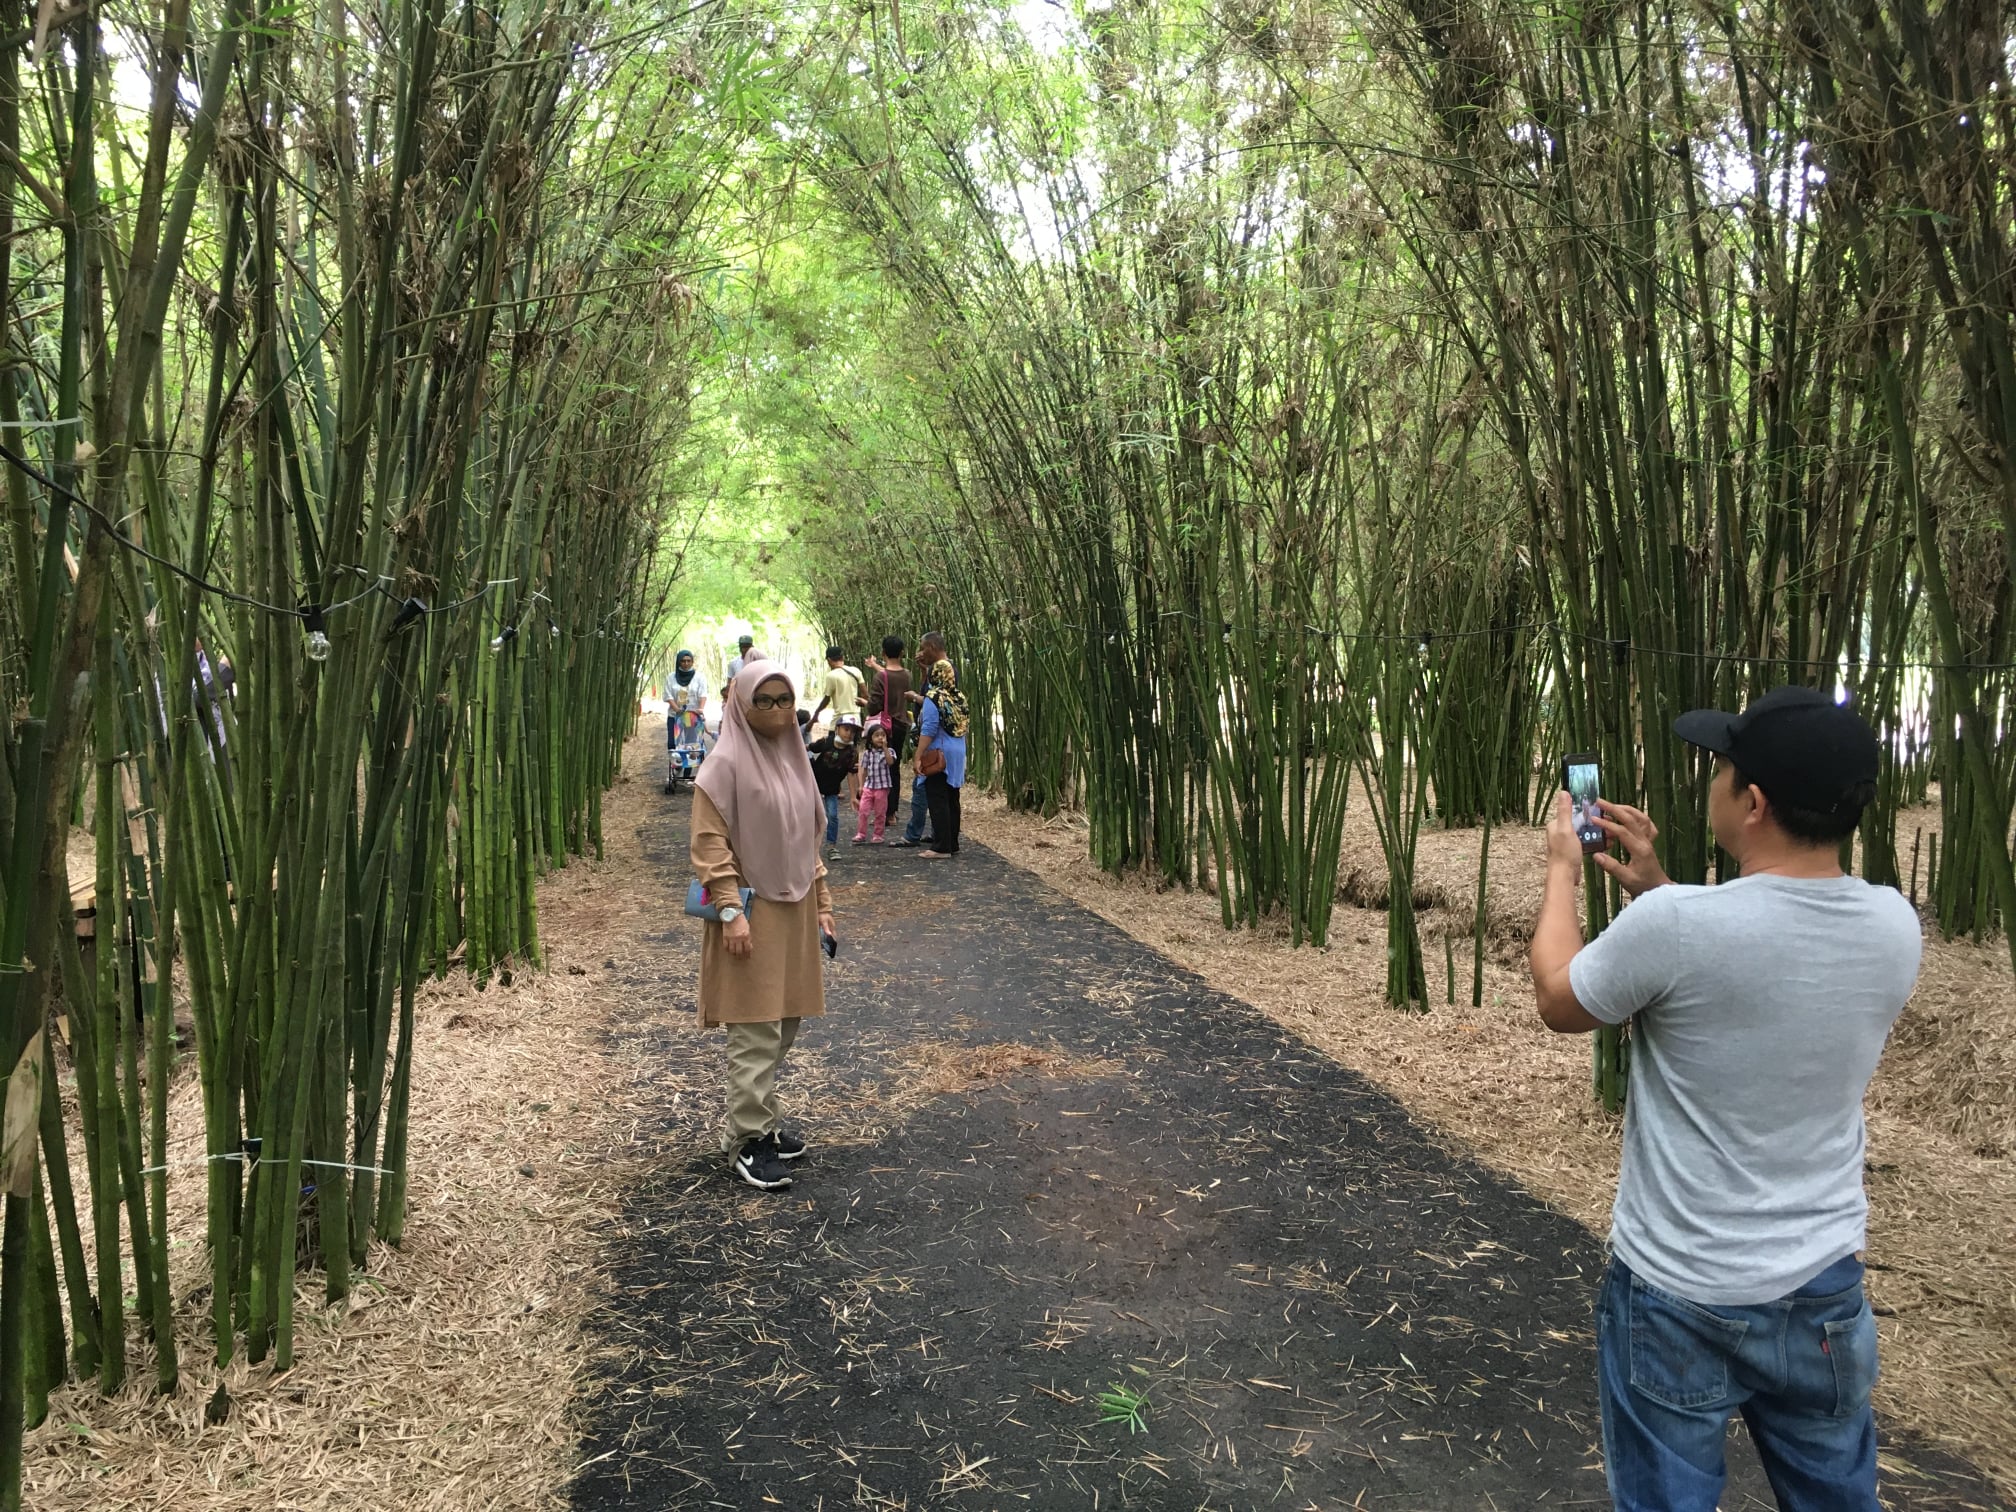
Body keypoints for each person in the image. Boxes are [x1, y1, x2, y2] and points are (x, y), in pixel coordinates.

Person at [1526, 686, 1920, 1512]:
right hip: (1822, 1294)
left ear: (1753, 802)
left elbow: (1561, 1001)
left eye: (1722, 768)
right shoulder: (1895, 925)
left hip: (1679, 1294)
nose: (1713, 783)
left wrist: (1565, 868)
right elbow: (1754, 960)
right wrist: (1660, 889)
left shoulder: (1677, 926)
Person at [691, 661, 836, 1193]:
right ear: (740, 704)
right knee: (755, 1026)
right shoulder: (725, 764)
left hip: (795, 905)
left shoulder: (794, 758)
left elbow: (807, 839)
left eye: (784, 701)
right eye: (764, 702)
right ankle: (747, 1139)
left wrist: (822, 901)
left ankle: (765, 1122)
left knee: (786, 1019)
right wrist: (729, 910)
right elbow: (709, 844)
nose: (776, 712)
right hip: (751, 909)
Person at [915, 658, 968, 860]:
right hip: (957, 751)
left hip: (939, 752)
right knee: (952, 798)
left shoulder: (933, 697)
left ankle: (941, 847)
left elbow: (928, 728)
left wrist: (918, 755)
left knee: (938, 798)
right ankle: (952, 843)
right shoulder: (959, 697)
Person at [863, 636, 914, 835]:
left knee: (879, 768)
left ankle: (882, 813)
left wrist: (865, 704)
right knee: (894, 767)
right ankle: (891, 813)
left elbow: (874, 704)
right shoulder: (908, 675)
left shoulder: (880, 677)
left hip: (884, 728)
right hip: (901, 725)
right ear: (902, 653)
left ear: (883, 652)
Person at [806, 715, 860, 856]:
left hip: (832, 788)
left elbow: (851, 774)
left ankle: (831, 845)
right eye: (846, 729)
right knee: (809, 814)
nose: (849, 734)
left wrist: (853, 796)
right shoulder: (826, 742)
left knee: (832, 815)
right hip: (814, 784)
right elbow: (808, 748)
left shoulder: (852, 753)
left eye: (852, 731)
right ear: (837, 729)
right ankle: (805, 843)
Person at [664, 649, 708, 791]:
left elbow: (703, 694)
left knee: (691, 743)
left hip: (693, 716)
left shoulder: (699, 677)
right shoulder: (671, 677)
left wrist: (700, 709)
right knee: (673, 742)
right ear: (678, 662)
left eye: (689, 661)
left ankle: (688, 771)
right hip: (675, 716)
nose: (686, 663)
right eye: (683, 661)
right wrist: (676, 709)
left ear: (692, 662)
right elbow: (668, 695)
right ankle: (676, 766)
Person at [853, 722, 896, 843]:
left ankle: (878, 834)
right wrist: (860, 785)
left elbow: (890, 762)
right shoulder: (868, 753)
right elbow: (863, 769)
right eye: (877, 735)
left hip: (882, 787)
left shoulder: (890, 751)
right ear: (870, 739)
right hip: (869, 786)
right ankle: (861, 833)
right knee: (863, 810)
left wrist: (885, 748)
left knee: (880, 812)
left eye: (883, 735)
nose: (880, 738)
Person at [812, 647, 864, 724]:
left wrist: (816, 713)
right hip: (855, 719)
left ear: (829, 660)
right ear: (842, 658)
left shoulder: (831, 675)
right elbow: (865, 694)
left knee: (833, 736)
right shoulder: (856, 671)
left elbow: (826, 699)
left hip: (840, 719)